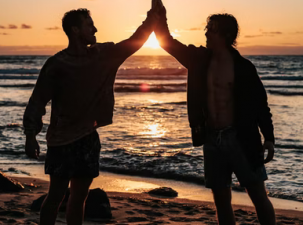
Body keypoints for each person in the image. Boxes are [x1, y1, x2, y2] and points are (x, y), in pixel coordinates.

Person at [23, 8, 158, 225]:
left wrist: (153, 18)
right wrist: (30, 135)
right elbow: (37, 100)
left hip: (88, 138)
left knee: (79, 198)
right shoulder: (57, 64)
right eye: (89, 25)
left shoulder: (101, 55)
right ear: (75, 30)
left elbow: (134, 42)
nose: (95, 29)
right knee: (55, 197)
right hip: (61, 141)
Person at [153, 3, 276, 225]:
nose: (206, 32)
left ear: (226, 34)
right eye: (207, 28)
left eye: (212, 28)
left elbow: (261, 105)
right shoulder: (198, 58)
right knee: (221, 200)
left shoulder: (244, 67)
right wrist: (159, 13)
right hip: (212, 139)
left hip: (242, 139)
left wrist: (268, 138)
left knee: (258, 194)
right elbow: (167, 42)